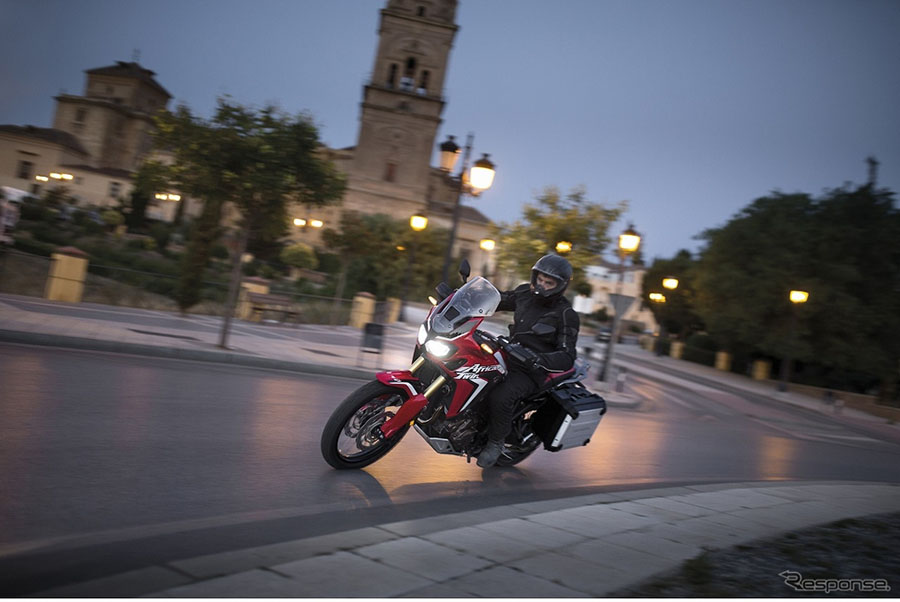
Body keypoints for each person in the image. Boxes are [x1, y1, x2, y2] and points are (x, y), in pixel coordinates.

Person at [477, 254, 580, 467]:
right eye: (540, 279)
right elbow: (499, 299)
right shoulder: (525, 292)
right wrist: (464, 296)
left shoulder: (565, 313)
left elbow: (567, 356)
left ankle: (496, 443)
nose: (542, 285)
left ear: (560, 286)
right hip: (509, 352)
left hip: (532, 370)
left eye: (548, 282)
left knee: (501, 396)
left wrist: (536, 359)